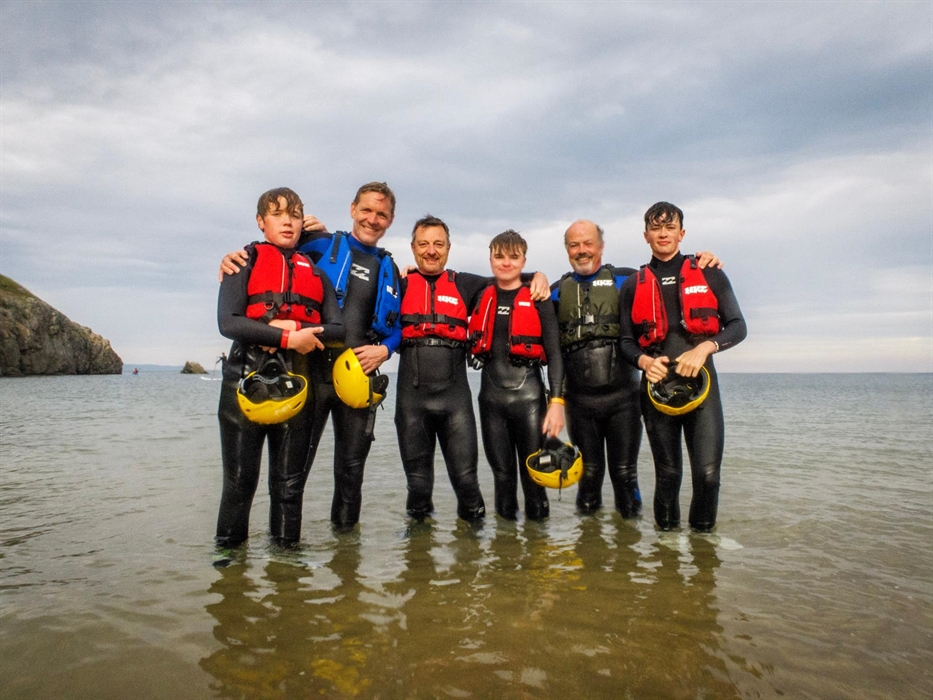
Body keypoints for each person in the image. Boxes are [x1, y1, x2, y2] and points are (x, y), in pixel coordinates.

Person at [220, 182, 401, 532]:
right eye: (366, 210)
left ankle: (345, 553)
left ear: (390, 220)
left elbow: (402, 324)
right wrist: (232, 259)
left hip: (356, 377)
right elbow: (273, 253)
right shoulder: (317, 246)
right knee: (291, 476)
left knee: (351, 473)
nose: (372, 219)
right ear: (352, 209)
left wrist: (386, 349)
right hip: (310, 372)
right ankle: (270, 554)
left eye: (381, 214)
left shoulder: (389, 267)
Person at [552, 220, 723, 519]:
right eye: (574, 245)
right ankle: (588, 543)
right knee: (588, 477)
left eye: (588, 243)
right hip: (579, 402)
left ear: (601, 247)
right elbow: (512, 290)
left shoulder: (627, 280)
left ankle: (629, 543)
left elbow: (668, 273)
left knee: (625, 474)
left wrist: (703, 260)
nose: (581, 250)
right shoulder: (555, 291)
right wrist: (535, 276)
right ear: (566, 249)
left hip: (624, 400)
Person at [396, 215, 550, 523]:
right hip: (411, 402)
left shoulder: (464, 284)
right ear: (412, 248)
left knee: (467, 483)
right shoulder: (399, 284)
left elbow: (507, 275)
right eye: (423, 244)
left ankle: (476, 546)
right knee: (418, 486)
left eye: (438, 244)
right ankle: (417, 548)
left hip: (455, 402)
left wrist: (538, 275)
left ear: (448, 248)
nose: (431, 251)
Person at [215, 187, 344, 549]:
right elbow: (228, 322)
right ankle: (229, 561)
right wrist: (285, 336)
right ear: (261, 221)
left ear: (303, 222)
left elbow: (338, 330)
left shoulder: (316, 275)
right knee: (240, 484)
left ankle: (286, 561)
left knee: (288, 487)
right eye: (278, 214)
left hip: (298, 381)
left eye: (295, 215)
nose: (287, 221)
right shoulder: (243, 263)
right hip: (245, 379)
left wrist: (297, 327)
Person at [619, 202, 746, 531]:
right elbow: (625, 342)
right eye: (656, 228)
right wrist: (645, 361)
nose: (663, 233)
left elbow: (737, 326)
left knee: (708, 475)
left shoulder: (709, 271)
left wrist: (705, 347)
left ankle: (703, 543)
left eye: (670, 227)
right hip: (656, 389)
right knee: (668, 474)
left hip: (703, 388)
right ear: (646, 235)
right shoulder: (633, 285)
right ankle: (667, 546)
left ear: (682, 233)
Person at [468, 230, 565, 521]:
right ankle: (505, 546)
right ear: (490, 259)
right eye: (499, 256)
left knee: (534, 478)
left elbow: (555, 355)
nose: (506, 262)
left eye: (514, 257)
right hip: (491, 401)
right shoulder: (480, 294)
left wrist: (557, 402)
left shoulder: (538, 298)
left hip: (530, 400)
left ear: (523, 260)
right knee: (502, 478)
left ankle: (539, 544)